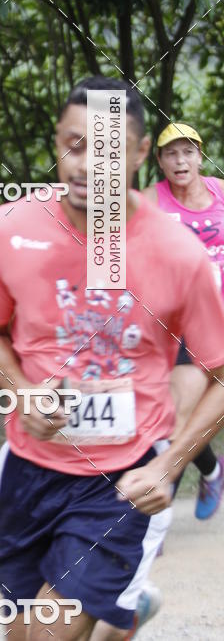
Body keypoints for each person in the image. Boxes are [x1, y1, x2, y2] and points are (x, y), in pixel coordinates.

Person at [0, 76, 224, 641]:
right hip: (28, 469)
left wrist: (168, 463)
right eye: (74, 144)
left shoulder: (178, 253)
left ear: (139, 153)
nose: (86, 164)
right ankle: (123, 617)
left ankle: (118, 610)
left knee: (49, 633)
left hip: (121, 476)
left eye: (107, 149)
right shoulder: (10, 229)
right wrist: (21, 388)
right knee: (26, 633)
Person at [143, 122, 224, 519]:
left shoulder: (221, 194)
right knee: (177, 415)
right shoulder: (150, 201)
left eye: (188, 151)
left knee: (187, 414)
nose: (181, 161)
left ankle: (152, 520)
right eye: (171, 153)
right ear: (159, 161)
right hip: (174, 329)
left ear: (199, 155)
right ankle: (209, 470)